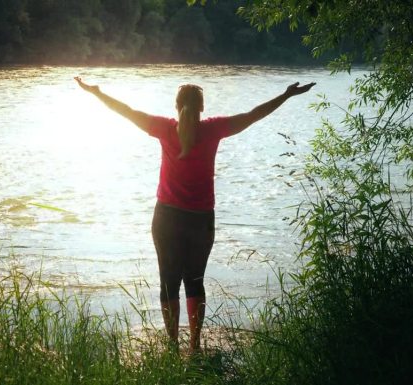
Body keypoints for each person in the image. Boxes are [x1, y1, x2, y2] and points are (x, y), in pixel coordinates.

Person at [74, 76, 315, 353]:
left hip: (166, 217)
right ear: (202, 108)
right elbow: (252, 115)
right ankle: (195, 347)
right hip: (201, 219)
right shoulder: (213, 129)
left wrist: (97, 93)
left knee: (168, 281)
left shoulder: (165, 129)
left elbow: (127, 111)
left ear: (177, 106)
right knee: (195, 281)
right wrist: (285, 95)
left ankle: (173, 345)